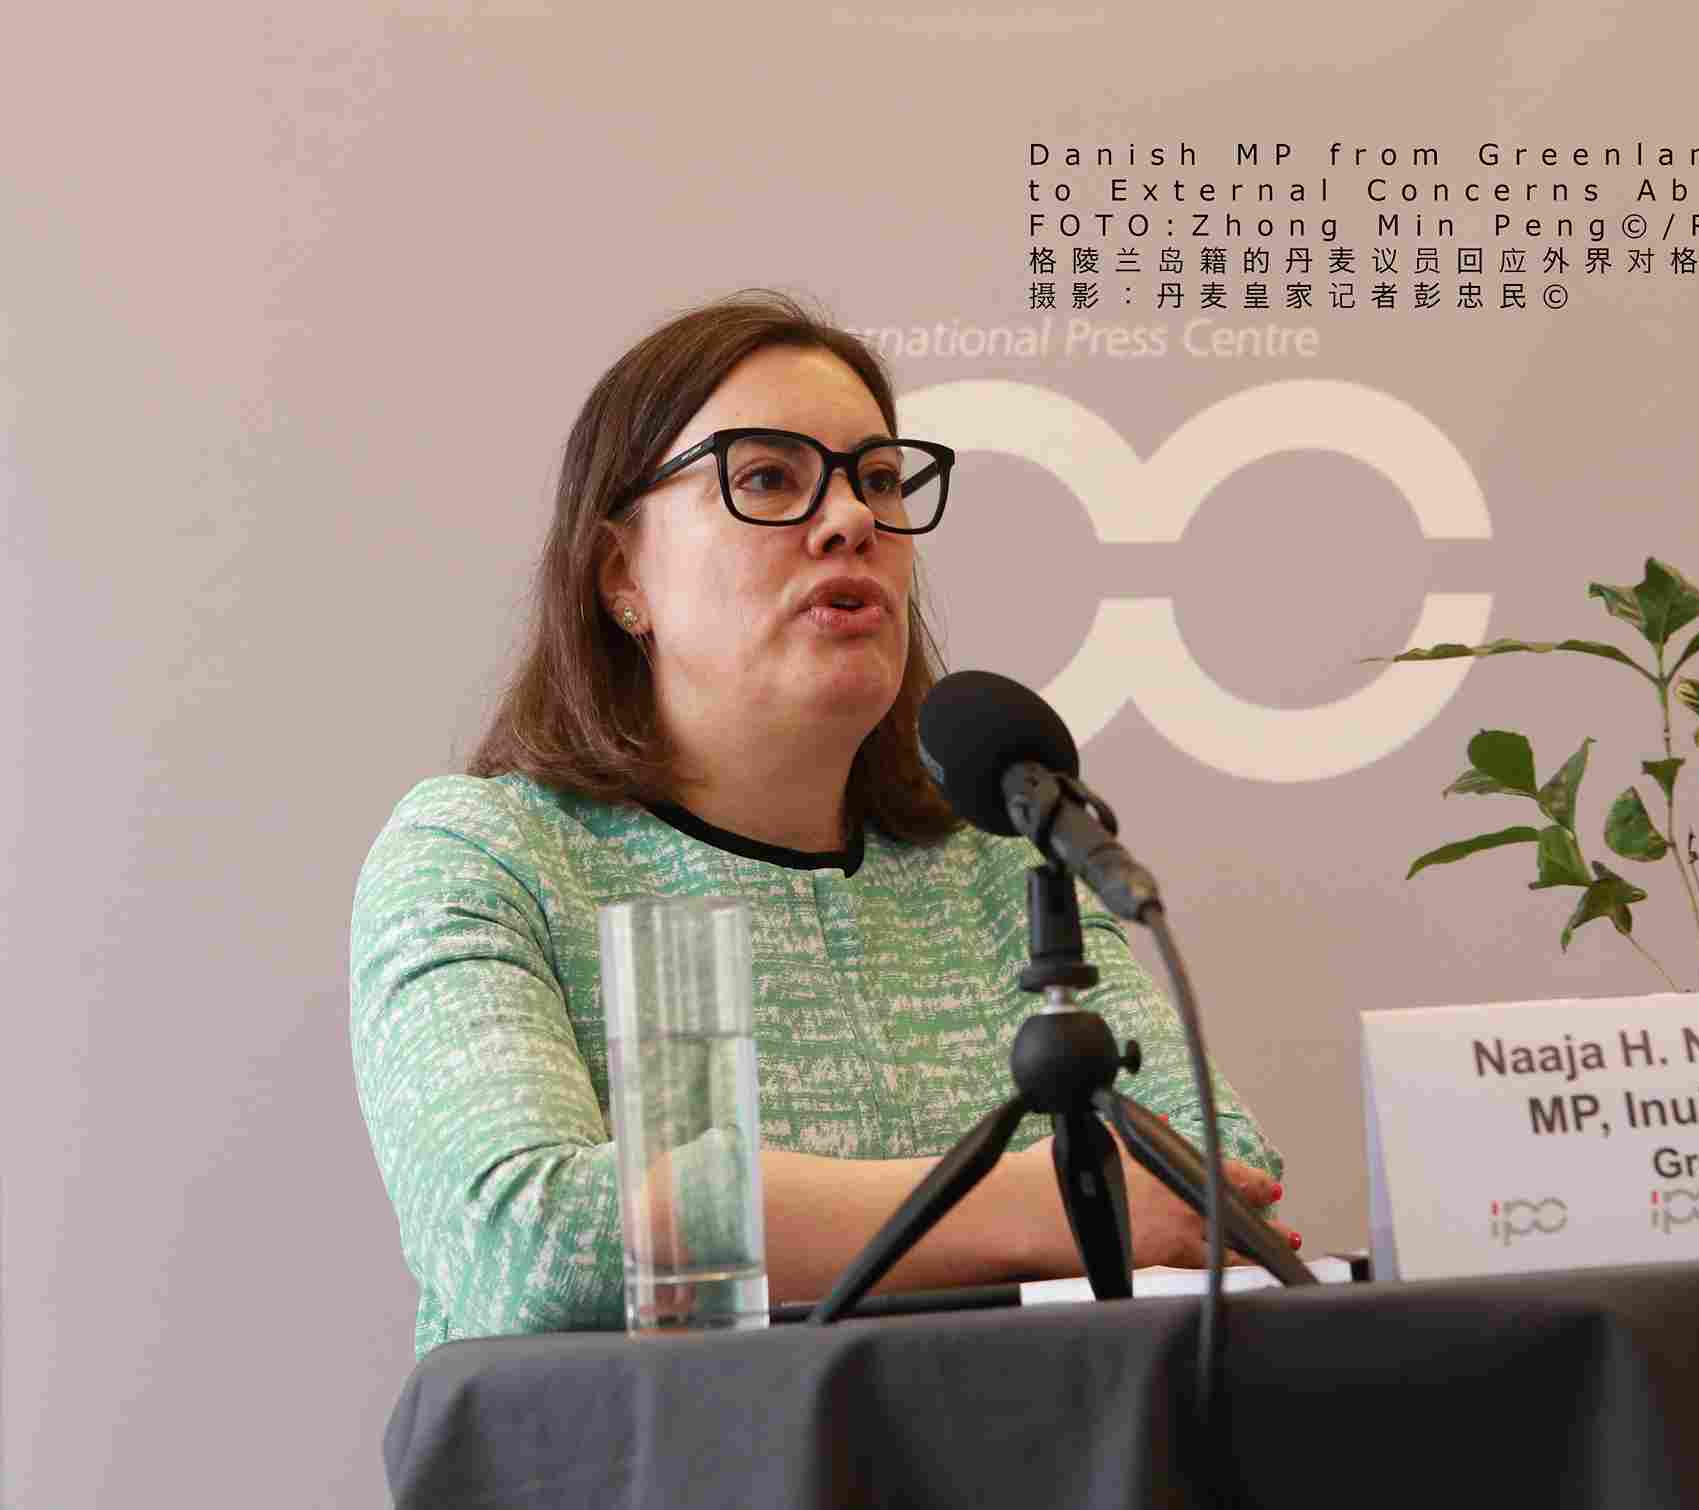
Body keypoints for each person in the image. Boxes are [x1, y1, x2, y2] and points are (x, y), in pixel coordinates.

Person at [349, 289, 1291, 1357]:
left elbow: (1215, 1182)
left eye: (878, 480)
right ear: (621, 576)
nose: (852, 521)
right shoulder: (487, 855)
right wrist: (1044, 1203)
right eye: (767, 478)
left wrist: (718, 1211)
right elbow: (525, 1241)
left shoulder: (996, 865)